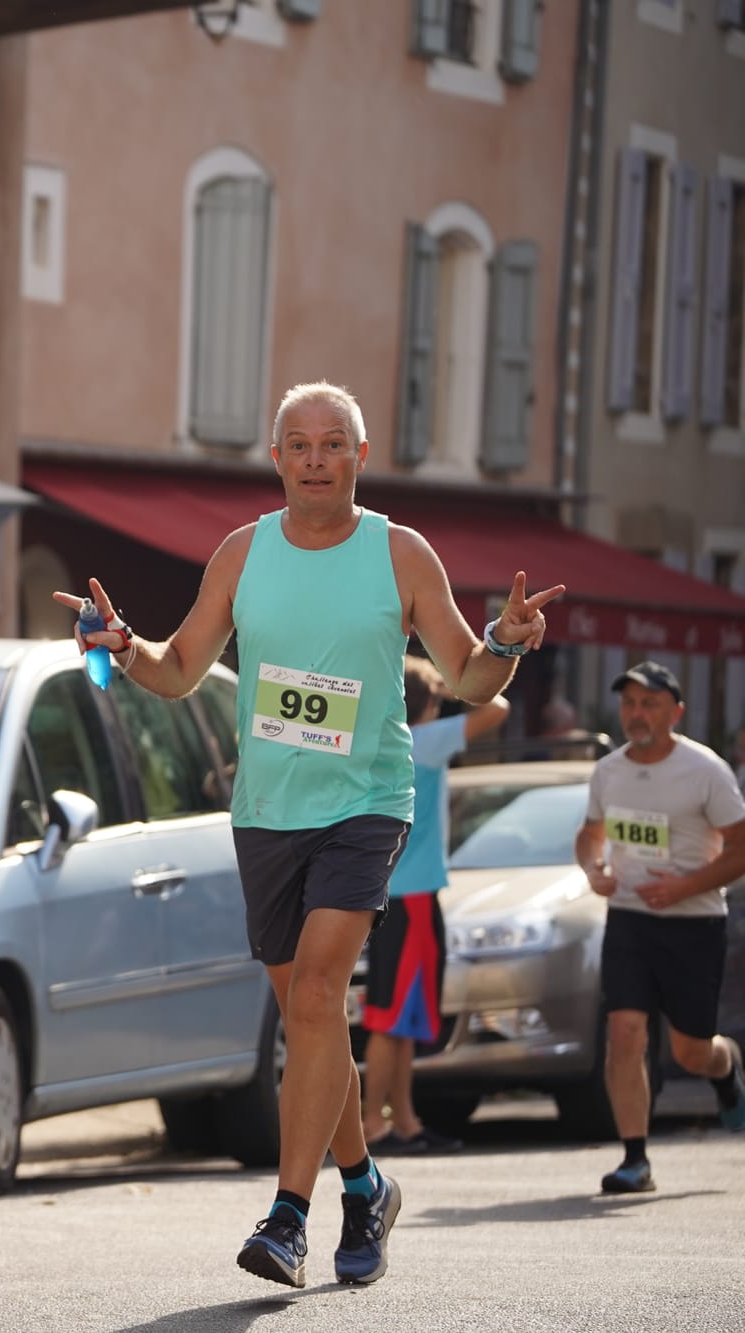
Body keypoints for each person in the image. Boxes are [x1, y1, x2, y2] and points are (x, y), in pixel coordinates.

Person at [56, 382, 562, 1290]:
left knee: (323, 993)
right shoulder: (241, 553)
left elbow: (470, 677)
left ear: (359, 458)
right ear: (279, 458)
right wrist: (124, 648)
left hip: (366, 803)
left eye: (335, 443)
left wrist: (508, 640)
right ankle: (366, 1184)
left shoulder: (400, 553)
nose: (318, 457)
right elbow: (179, 670)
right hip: (268, 812)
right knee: (309, 1019)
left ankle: (288, 1216)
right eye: (301, 444)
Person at [573, 661, 745, 1194]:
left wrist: (683, 886)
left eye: (649, 703)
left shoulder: (706, 771)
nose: (637, 713)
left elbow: (739, 849)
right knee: (624, 1033)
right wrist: (593, 869)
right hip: (629, 919)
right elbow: (590, 834)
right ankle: (635, 1159)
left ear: (676, 711)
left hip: (694, 924)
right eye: (629, 703)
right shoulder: (610, 771)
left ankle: (726, 1065)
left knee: (691, 1051)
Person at [360, 656, 508, 1154]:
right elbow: (499, 707)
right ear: (428, 703)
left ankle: (404, 1120)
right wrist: (454, 683)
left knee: (400, 1019)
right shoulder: (422, 740)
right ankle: (373, 1125)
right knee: (389, 1018)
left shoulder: (380, 743)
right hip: (412, 897)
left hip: (391, 895)